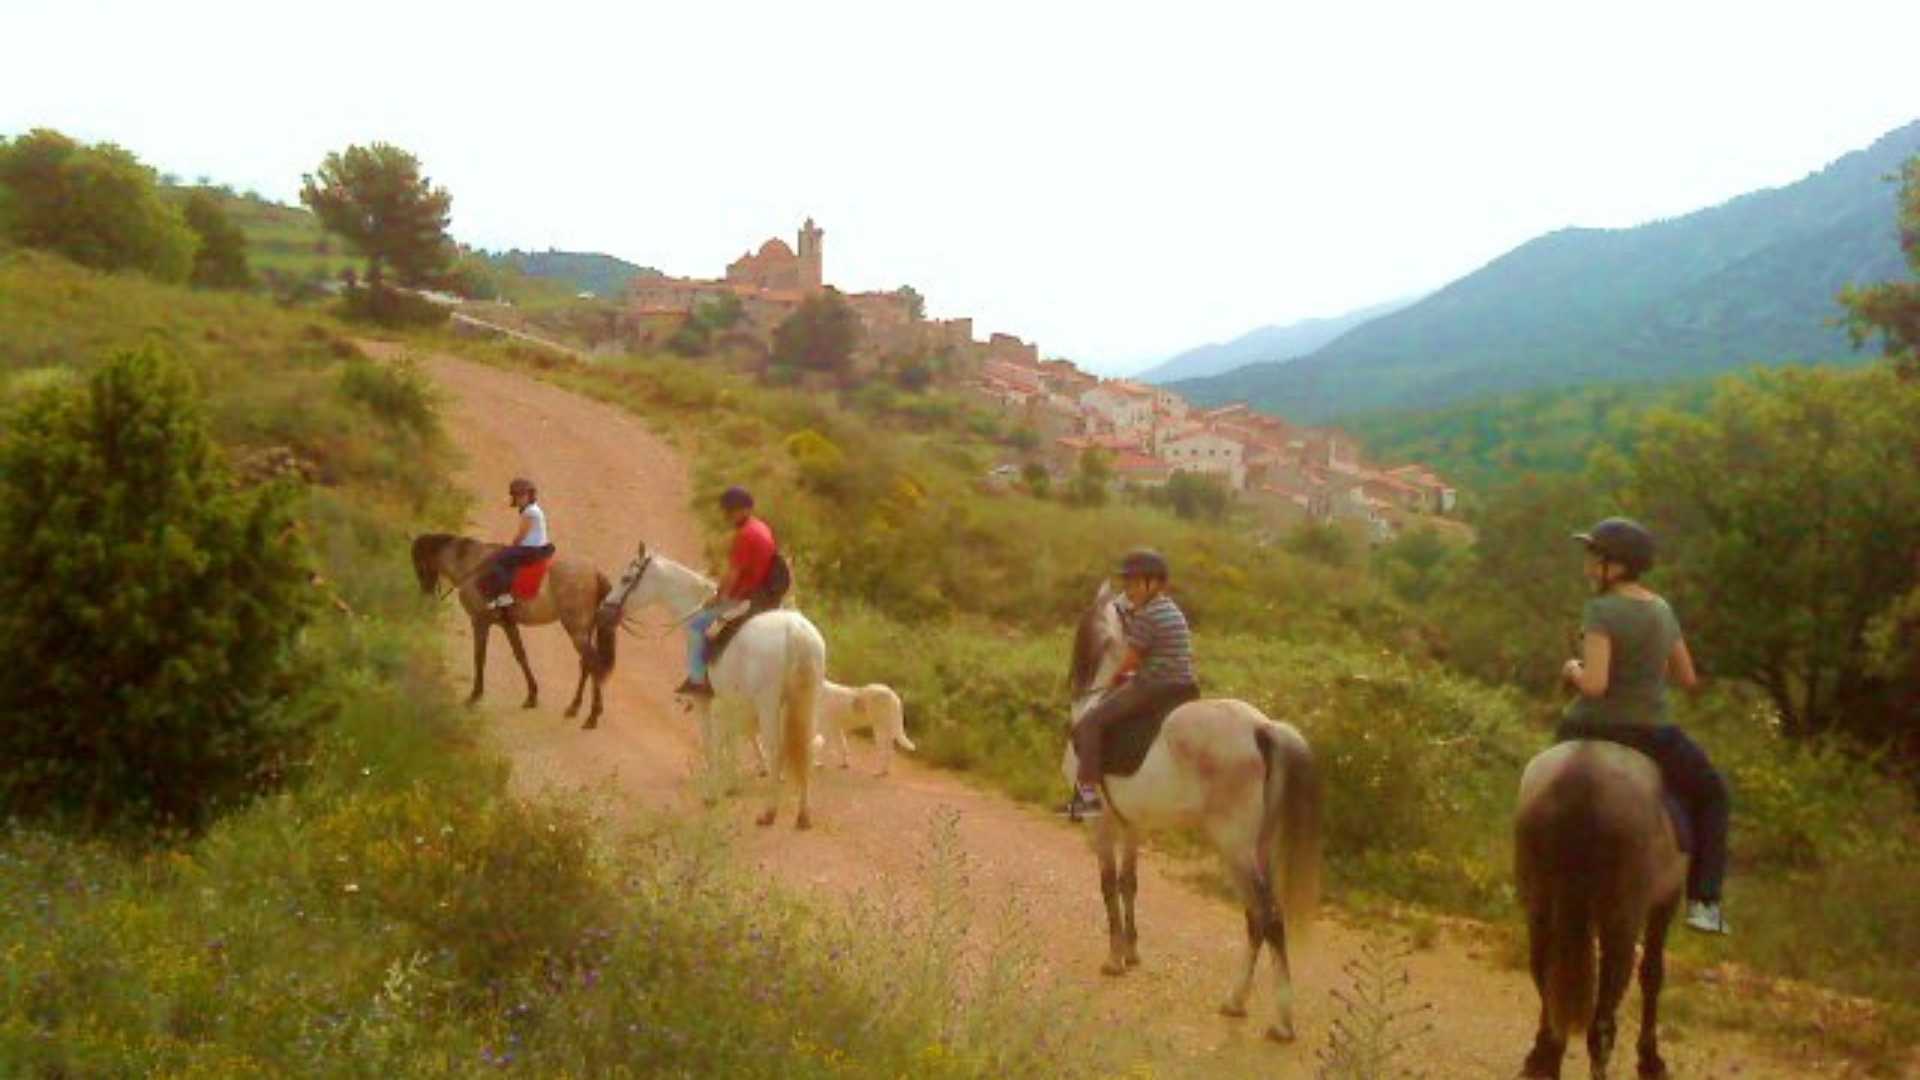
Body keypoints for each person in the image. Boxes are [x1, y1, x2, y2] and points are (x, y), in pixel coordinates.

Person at [1559, 517, 1732, 935]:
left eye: (1595, 557)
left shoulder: (1600, 610)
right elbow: (1687, 678)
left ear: (1617, 566)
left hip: (1588, 726)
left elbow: (1596, 685)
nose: (1588, 565)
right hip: (1650, 734)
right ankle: (1704, 903)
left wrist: (1572, 668)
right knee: (1712, 795)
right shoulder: (1661, 610)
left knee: (1542, 781)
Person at [1063, 549, 1200, 820]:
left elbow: (1131, 661)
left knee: (1091, 722)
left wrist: (1116, 680)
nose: (1130, 590)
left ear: (1154, 584)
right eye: (1127, 584)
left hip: (1155, 686)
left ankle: (1087, 796)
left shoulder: (1147, 615)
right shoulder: (1173, 610)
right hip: (1185, 686)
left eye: (1135, 583)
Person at [676, 486, 777, 698]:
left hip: (744, 596)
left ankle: (698, 680)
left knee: (696, 626)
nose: (728, 516)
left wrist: (718, 597)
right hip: (764, 593)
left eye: (730, 511)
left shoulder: (745, 535)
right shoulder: (762, 528)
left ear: (743, 510)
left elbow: (734, 573)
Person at [482, 477, 554, 610]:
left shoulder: (530, 512)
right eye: (517, 496)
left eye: (522, 496)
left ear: (529, 495)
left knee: (498, 559)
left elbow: (522, 535)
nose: (520, 499)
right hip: (535, 547)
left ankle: (504, 595)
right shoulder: (533, 509)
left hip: (531, 549)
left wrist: (512, 546)